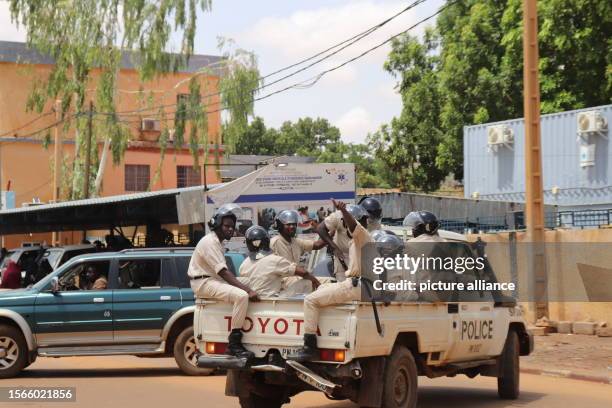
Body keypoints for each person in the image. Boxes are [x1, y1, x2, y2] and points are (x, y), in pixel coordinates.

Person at [289, 200, 372, 362]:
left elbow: (353, 226)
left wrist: (343, 211)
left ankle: (310, 346)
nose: (347, 225)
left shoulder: (362, 235)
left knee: (310, 300)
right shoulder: (355, 240)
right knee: (321, 291)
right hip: (358, 285)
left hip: (357, 284)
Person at [188, 204, 259, 359]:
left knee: (249, 280)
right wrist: (247, 290)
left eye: (232, 227)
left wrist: (248, 284)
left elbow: (223, 274)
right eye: (226, 226)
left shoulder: (218, 242)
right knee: (241, 296)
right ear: (217, 224)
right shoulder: (210, 242)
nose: (230, 230)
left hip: (211, 279)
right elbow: (224, 272)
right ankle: (234, 343)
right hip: (203, 283)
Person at [239, 226, 320, 297]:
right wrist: (316, 282)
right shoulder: (274, 260)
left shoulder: (243, 264)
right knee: (307, 282)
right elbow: (304, 273)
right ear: (267, 241)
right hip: (273, 299)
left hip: (255, 300)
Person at [271, 210, 327, 293]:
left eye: (294, 224)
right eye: (288, 224)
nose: (292, 227)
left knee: (328, 281)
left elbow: (317, 245)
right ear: (280, 226)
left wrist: (335, 230)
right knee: (310, 282)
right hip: (283, 281)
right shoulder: (275, 242)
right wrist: (313, 280)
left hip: (297, 277)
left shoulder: (295, 241)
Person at [403, 211, 450, 302]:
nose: (413, 230)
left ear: (423, 227)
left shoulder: (410, 244)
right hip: (448, 295)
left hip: (425, 297)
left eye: (415, 227)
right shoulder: (446, 243)